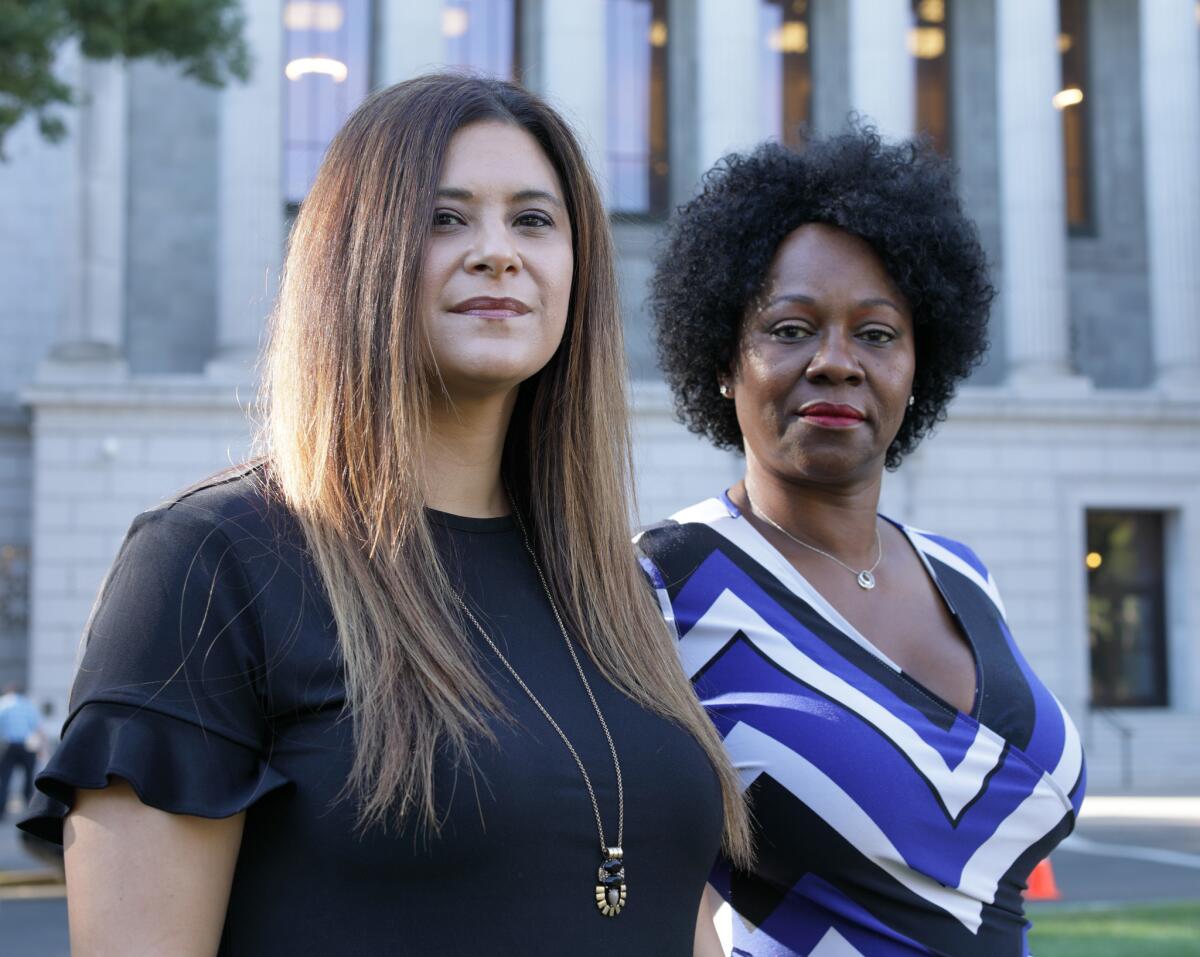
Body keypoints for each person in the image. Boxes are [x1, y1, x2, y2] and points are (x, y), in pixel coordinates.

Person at [20, 74, 750, 956]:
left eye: (533, 220)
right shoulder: (211, 564)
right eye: (445, 218)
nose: (497, 253)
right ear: (353, 255)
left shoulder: (613, 585)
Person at [637, 129, 1085, 956]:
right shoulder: (660, 584)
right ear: (723, 361)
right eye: (790, 327)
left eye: (876, 334)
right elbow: (652, 892)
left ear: (921, 368)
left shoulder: (963, 573)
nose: (836, 362)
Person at [0, 682, 42, 818]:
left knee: (5, 779)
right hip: (27, 746)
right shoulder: (27, 704)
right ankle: (29, 810)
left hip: (8, 746)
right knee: (29, 777)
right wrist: (41, 748)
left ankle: (1, 809)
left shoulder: (3, 704)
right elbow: (37, 728)